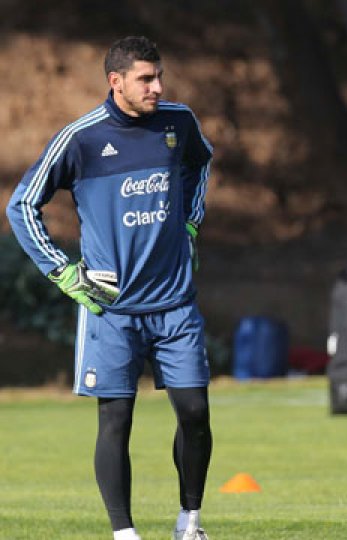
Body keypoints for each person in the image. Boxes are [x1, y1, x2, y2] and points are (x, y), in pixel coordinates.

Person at [6, 36, 214, 540]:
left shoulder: (178, 122)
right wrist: (63, 272)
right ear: (115, 82)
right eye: (146, 79)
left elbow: (199, 163)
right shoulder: (80, 138)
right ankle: (124, 533)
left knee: (194, 412)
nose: (157, 87)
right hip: (111, 311)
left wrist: (189, 222)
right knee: (116, 420)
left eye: (159, 76)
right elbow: (22, 205)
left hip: (176, 305)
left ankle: (190, 522)